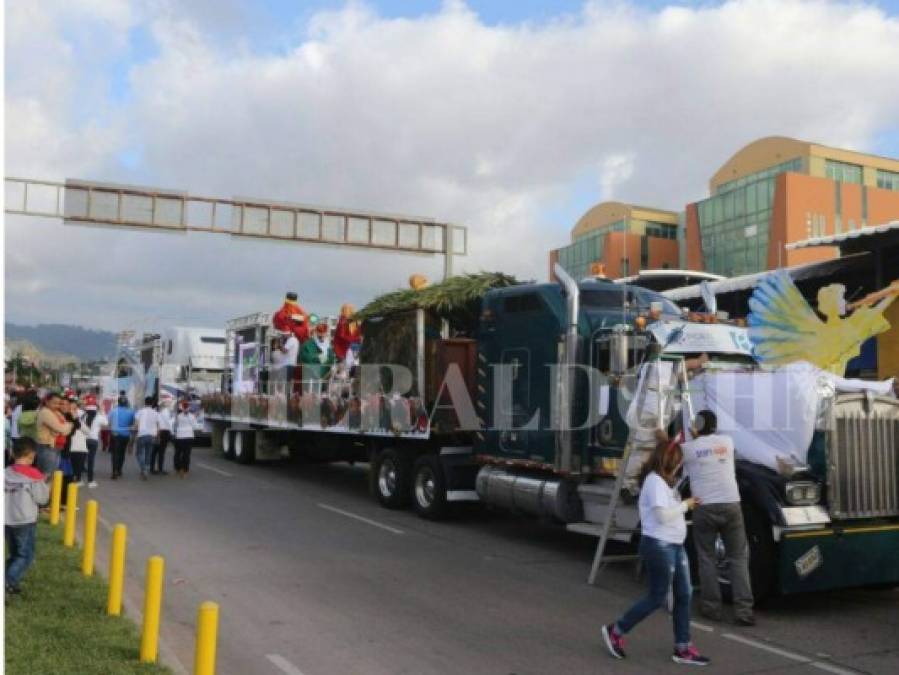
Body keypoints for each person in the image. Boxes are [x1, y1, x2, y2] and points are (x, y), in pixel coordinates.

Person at [602, 440, 710, 666]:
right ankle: (616, 630)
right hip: (659, 545)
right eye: (679, 461)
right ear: (670, 461)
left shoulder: (666, 483)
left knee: (685, 594)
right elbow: (662, 516)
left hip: (674, 544)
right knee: (657, 596)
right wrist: (686, 505)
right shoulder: (654, 482)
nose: (680, 466)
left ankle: (683, 647)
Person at [682, 409, 755, 626]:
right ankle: (744, 611)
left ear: (696, 426)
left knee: (707, 557)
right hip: (731, 504)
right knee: (739, 558)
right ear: (715, 426)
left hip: (704, 507)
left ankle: (712, 608)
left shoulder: (688, 449)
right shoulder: (728, 442)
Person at [5, 438, 50, 595]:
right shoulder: (34, 476)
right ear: (32, 456)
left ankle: (11, 582)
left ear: (12, 453)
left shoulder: (5, 473)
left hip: (6, 520)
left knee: (14, 554)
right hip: (25, 521)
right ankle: (7, 581)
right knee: (26, 556)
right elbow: (42, 499)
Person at [35, 392, 72, 477]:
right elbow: (61, 428)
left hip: (55, 446)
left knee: (51, 475)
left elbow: (65, 432)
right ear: (47, 402)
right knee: (46, 475)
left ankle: (47, 490)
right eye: (54, 403)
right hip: (47, 446)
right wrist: (69, 425)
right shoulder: (45, 412)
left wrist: (64, 428)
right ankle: (43, 490)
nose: (57, 406)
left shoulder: (56, 413)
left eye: (59, 403)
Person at [301, 321, 336, 394]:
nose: (322, 338)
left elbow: (331, 358)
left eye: (324, 335)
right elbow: (305, 358)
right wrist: (319, 358)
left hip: (326, 377)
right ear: (316, 334)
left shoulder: (328, 345)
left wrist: (333, 366)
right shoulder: (308, 344)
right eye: (320, 336)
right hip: (311, 378)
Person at [81, 395, 107, 488]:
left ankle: (79, 480)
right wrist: (102, 410)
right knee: (91, 461)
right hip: (94, 441)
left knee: (82, 459)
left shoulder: (83, 416)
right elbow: (106, 423)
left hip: (84, 440)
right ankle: (90, 481)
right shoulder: (99, 417)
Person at [107, 396, 135, 479]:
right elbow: (131, 423)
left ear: (118, 402)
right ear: (126, 403)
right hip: (125, 435)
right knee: (122, 453)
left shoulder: (113, 411)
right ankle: (119, 470)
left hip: (115, 434)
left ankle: (114, 470)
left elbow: (109, 422)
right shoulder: (131, 412)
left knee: (115, 453)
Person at [134, 397, 160, 481]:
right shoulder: (156, 413)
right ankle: (146, 470)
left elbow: (136, 424)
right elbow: (158, 426)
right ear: (152, 403)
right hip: (152, 435)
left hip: (142, 435)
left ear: (144, 402)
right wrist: (157, 436)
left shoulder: (140, 412)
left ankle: (144, 469)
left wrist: (134, 435)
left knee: (139, 454)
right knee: (148, 454)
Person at [172, 399, 199, 477]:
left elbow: (175, 426)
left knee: (177, 454)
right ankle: (185, 469)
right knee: (186, 454)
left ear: (182, 407)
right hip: (189, 437)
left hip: (179, 437)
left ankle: (178, 468)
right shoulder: (192, 416)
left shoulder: (178, 416)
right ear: (188, 408)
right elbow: (195, 426)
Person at [333, 303, 362, 368]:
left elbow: (359, 333)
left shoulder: (355, 322)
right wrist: (357, 339)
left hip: (351, 350)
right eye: (351, 310)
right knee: (345, 368)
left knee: (351, 367)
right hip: (344, 350)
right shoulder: (343, 321)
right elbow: (341, 336)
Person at [68, 398, 89, 485]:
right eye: (71, 408)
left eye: (75, 408)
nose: (74, 410)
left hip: (81, 449)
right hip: (70, 449)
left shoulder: (80, 419)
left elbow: (87, 431)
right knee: (70, 473)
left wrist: (77, 420)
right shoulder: (65, 419)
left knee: (78, 472)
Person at [154, 401, 173, 475]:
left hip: (158, 432)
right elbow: (168, 422)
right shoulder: (165, 412)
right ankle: (160, 469)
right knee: (162, 451)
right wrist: (171, 432)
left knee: (156, 451)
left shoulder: (157, 412)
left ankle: (153, 468)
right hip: (165, 432)